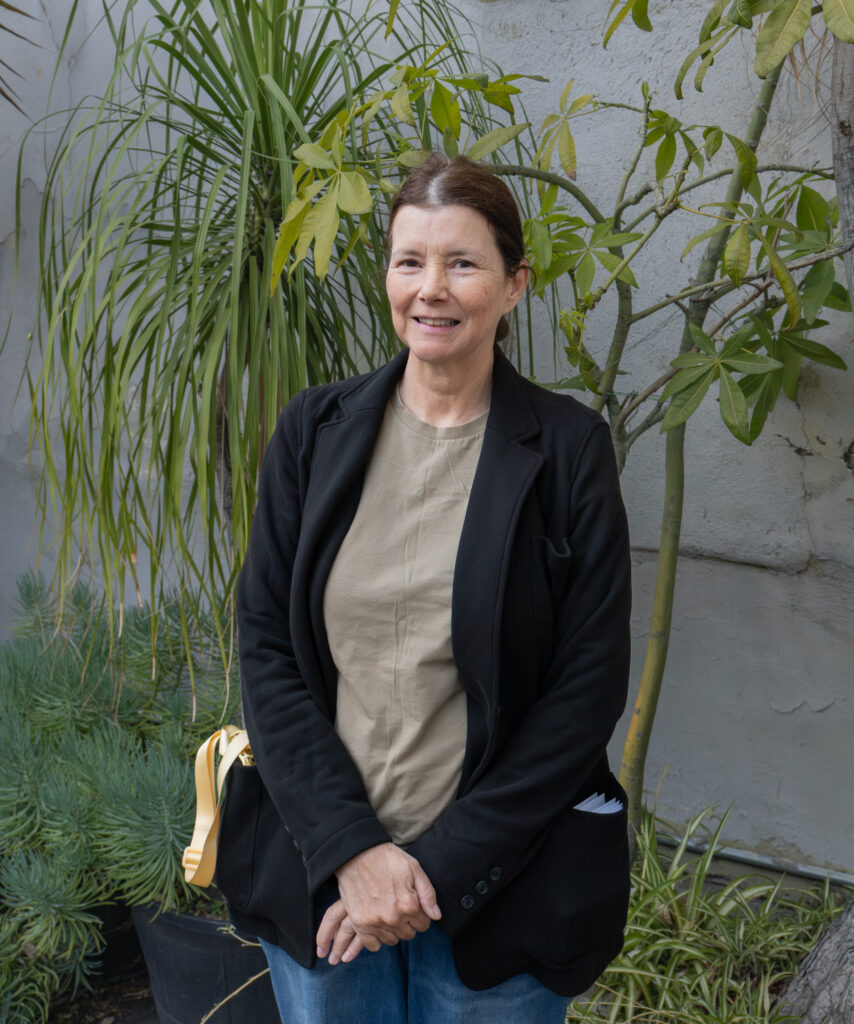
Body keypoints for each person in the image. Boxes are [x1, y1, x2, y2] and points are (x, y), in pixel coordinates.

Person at [229, 153, 632, 1024]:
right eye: (410, 261)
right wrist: (354, 851)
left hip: (501, 881)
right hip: (328, 875)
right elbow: (265, 646)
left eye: (463, 262)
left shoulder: (568, 452)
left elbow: (586, 689)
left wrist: (431, 871)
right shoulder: (313, 433)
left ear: (515, 284)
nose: (431, 289)